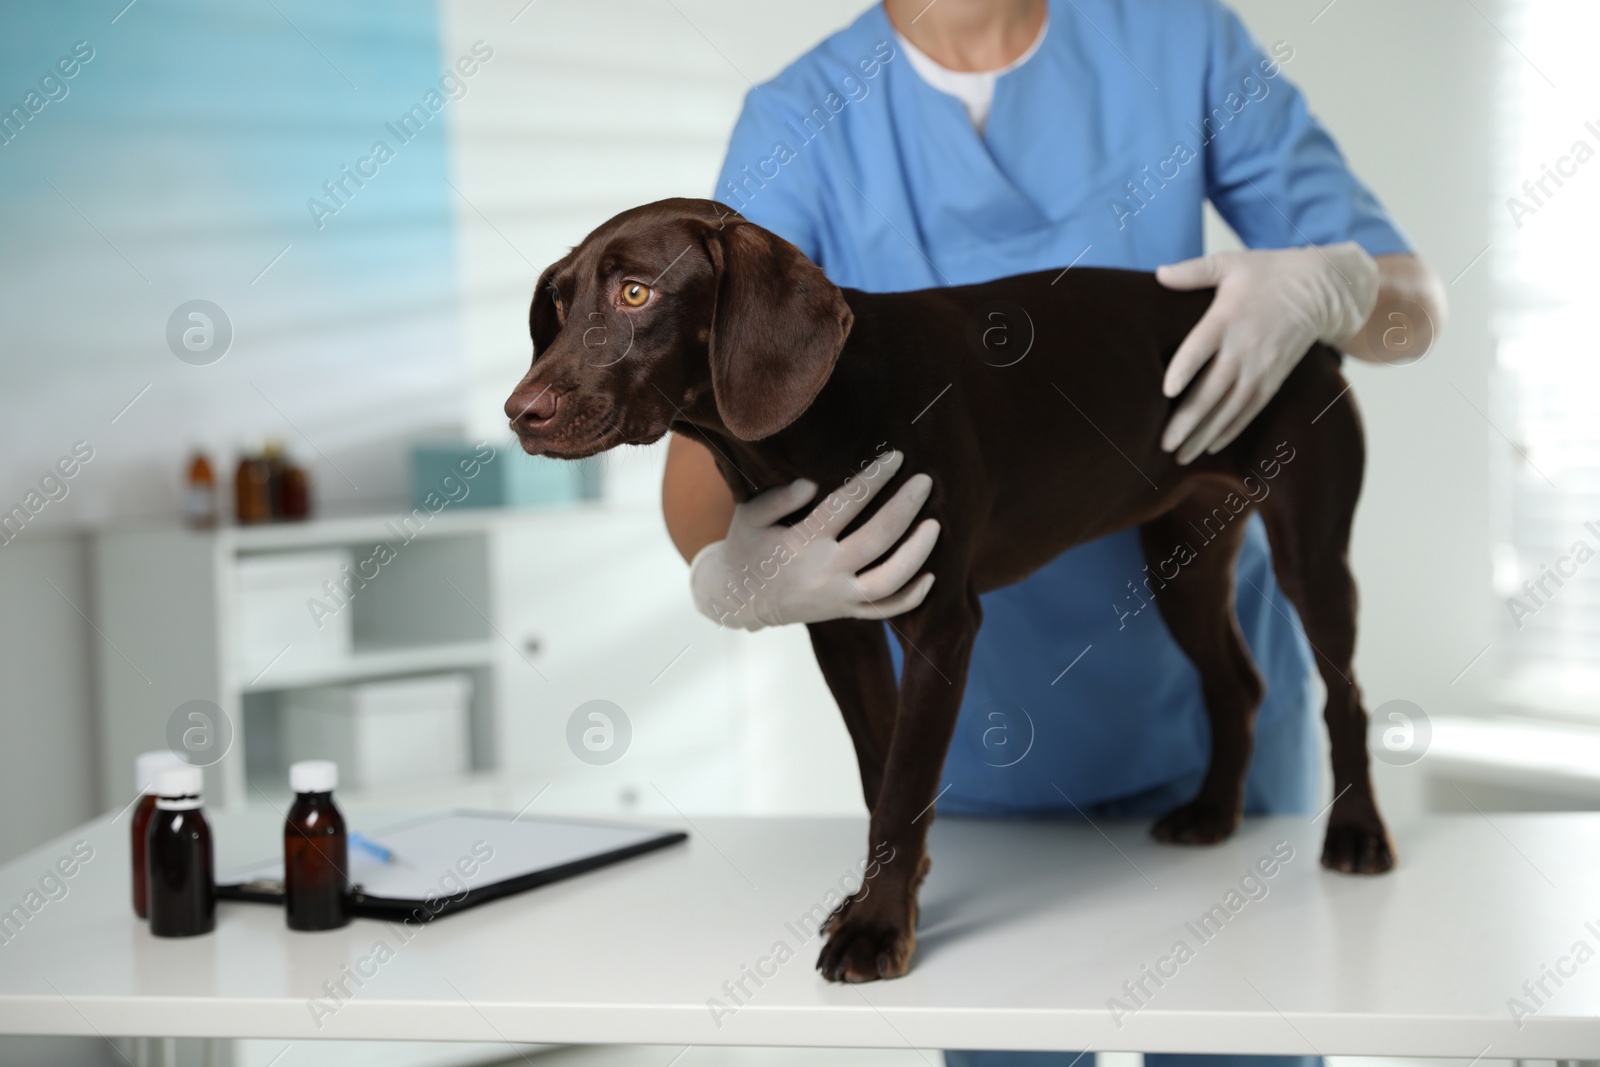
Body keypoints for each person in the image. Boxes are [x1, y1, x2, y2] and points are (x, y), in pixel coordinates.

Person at [663, 2, 1447, 1065]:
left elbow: (1413, 305)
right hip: (984, 777)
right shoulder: (802, 115)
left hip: (1212, 747)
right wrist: (730, 575)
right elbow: (703, 431)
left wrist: (1339, 285)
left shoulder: (1178, 43)